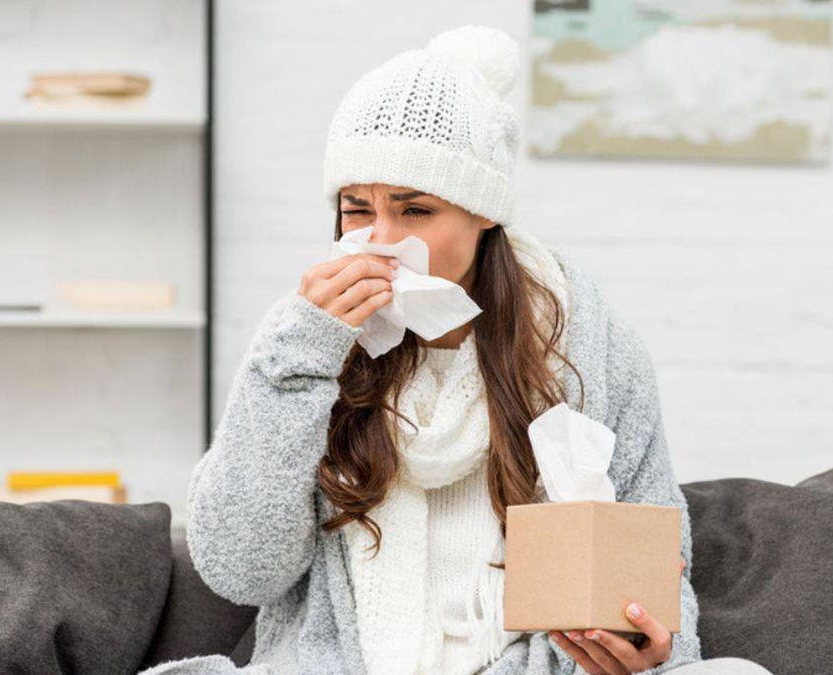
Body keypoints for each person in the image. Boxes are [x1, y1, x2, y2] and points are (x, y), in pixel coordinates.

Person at [141, 24, 774, 675]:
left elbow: (660, 583)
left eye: (414, 210)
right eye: (357, 209)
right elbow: (240, 570)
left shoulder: (593, 351)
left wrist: (648, 642)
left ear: (484, 211)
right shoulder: (304, 344)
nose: (382, 240)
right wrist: (295, 357)